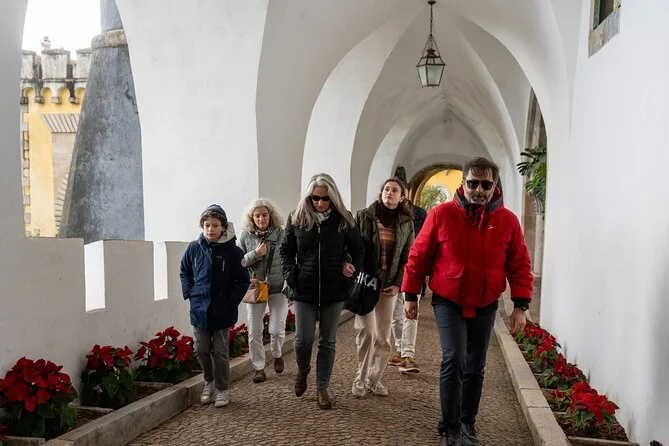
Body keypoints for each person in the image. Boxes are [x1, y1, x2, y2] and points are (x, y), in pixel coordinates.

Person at [402, 157, 533, 446]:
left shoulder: (508, 221)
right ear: (463, 183)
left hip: (486, 302)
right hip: (448, 300)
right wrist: (410, 295)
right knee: (454, 357)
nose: (479, 190)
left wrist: (520, 305)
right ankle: (449, 427)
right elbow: (419, 255)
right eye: (473, 183)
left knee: (476, 365)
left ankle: (467, 422)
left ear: (494, 186)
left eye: (486, 184)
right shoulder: (441, 215)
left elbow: (520, 264)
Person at [280, 173, 364, 409]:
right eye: (315, 198)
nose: (319, 203)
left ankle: (322, 387)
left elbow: (358, 250)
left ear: (333, 197)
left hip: (334, 289)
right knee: (302, 340)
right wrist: (291, 276)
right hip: (304, 289)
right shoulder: (296, 218)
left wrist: (351, 271)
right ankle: (303, 368)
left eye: (325, 199)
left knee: (328, 341)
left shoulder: (344, 219)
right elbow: (286, 250)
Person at [180, 204, 250, 408]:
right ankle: (208, 382)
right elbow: (185, 271)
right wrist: (190, 293)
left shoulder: (234, 252)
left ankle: (222, 388)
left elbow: (242, 281)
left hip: (222, 311)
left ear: (223, 227)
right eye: (207, 225)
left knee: (220, 351)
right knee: (201, 349)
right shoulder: (194, 248)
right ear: (202, 226)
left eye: (215, 225)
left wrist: (231, 302)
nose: (211, 229)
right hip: (199, 310)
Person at [352, 178, 414, 398]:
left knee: (383, 337)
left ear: (402, 197)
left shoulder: (406, 223)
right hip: (366, 283)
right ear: (381, 193)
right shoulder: (363, 216)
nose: (389, 192)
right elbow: (352, 247)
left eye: (395, 190)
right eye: (386, 189)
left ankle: (374, 379)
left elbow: (407, 255)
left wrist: (398, 283)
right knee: (367, 332)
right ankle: (360, 377)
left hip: (388, 287)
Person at [238, 199, 288, 383]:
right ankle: (259, 368)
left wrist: (289, 284)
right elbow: (240, 262)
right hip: (256, 288)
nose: (261, 219)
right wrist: (255, 254)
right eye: (257, 216)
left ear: (270, 215)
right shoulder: (246, 236)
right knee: (254, 331)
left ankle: (277, 353)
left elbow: (290, 258)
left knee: (276, 329)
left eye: (264, 215)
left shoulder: (281, 234)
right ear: (252, 218)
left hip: (278, 288)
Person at [389, 198, 427, 374]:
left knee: (410, 314)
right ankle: (399, 348)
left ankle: (408, 355)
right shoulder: (387, 217)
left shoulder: (420, 215)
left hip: (413, 271)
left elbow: (425, 245)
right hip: (392, 273)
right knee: (395, 315)